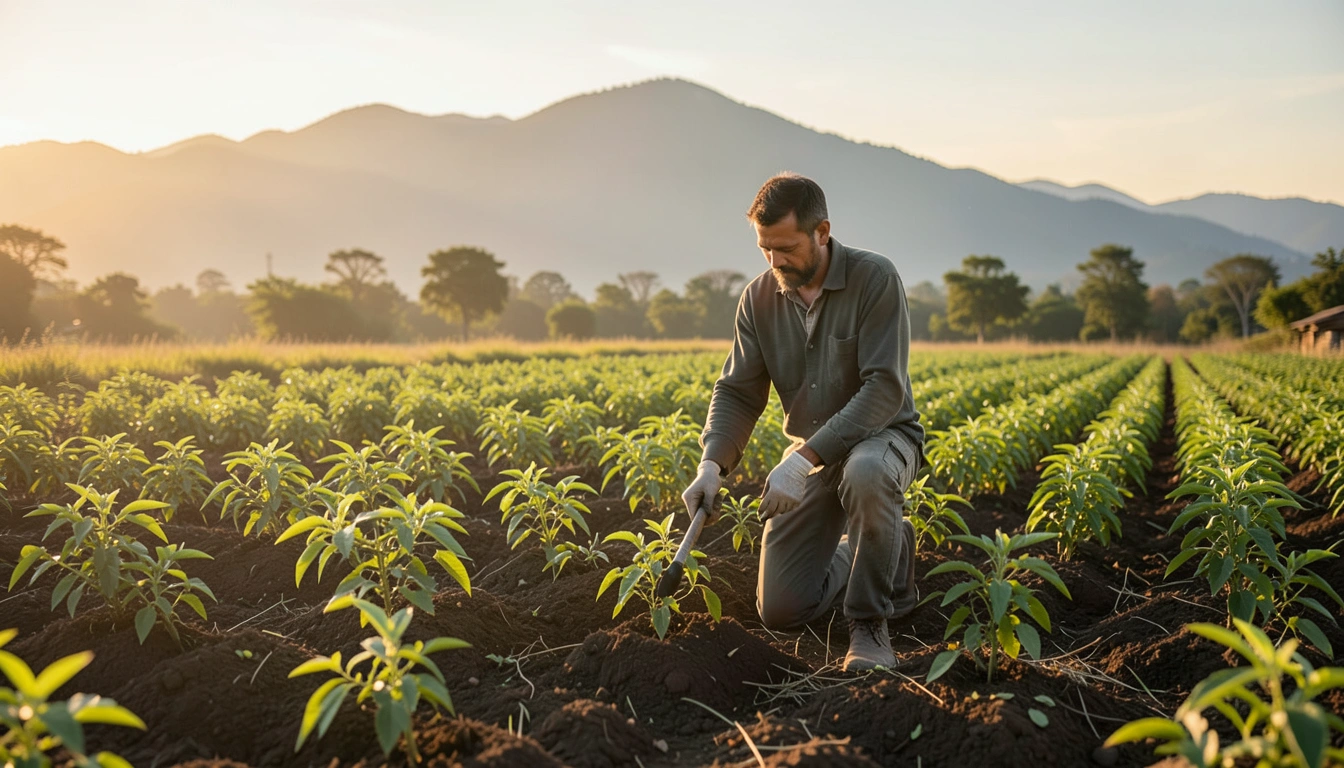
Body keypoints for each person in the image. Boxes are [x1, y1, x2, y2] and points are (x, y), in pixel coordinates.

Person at [681, 172, 924, 672]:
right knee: (782, 609)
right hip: (813, 456)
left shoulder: (874, 279)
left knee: (866, 472)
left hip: (882, 439)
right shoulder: (758, 299)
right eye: (765, 249)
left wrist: (801, 460)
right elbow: (737, 392)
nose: (775, 261)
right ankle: (883, 547)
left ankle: (869, 623)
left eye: (786, 248)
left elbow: (884, 389)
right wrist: (711, 466)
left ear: (822, 232)